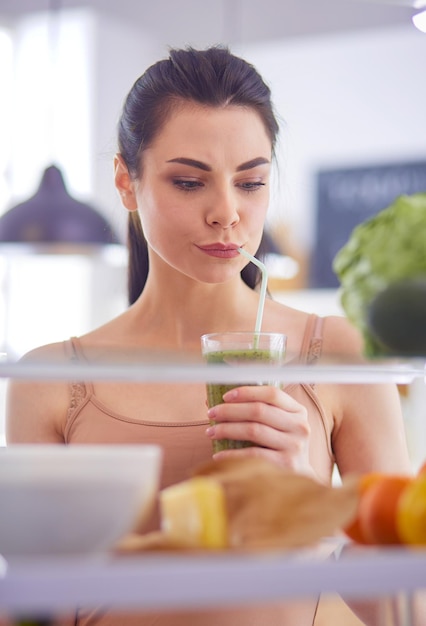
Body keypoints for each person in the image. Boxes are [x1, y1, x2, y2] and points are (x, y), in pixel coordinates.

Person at [5, 45, 412, 626]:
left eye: (250, 183)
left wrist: (316, 512)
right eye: (190, 182)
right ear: (126, 179)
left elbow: (410, 609)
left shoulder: (340, 355)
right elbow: (31, 606)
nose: (227, 212)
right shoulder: (51, 381)